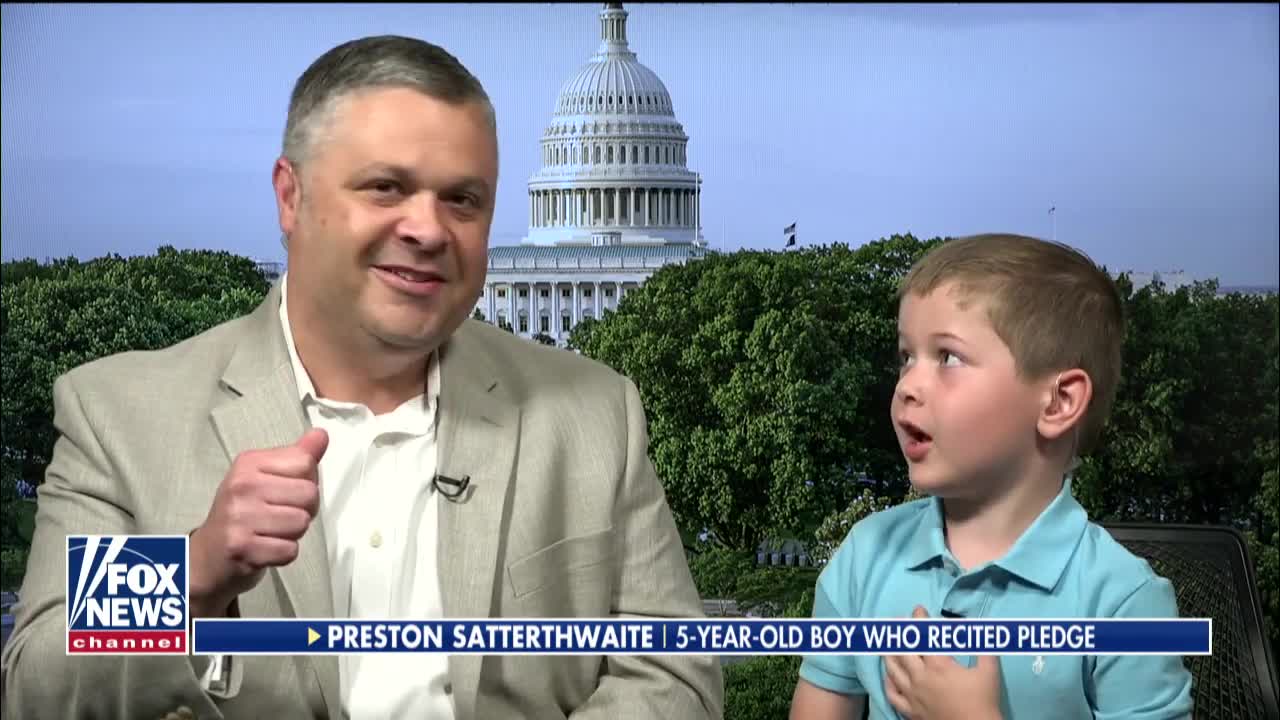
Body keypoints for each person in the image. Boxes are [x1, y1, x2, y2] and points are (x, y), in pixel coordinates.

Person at [1, 35, 723, 720]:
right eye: (385, 187)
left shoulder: (595, 412)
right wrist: (192, 573)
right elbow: (36, 689)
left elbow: (673, 678)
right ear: (291, 196)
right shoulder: (119, 413)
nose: (427, 229)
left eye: (462, 199)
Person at [788, 234, 1194, 719]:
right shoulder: (863, 557)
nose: (907, 387)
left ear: (1059, 402)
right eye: (906, 357)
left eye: (949, 357)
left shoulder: (1125, 607)